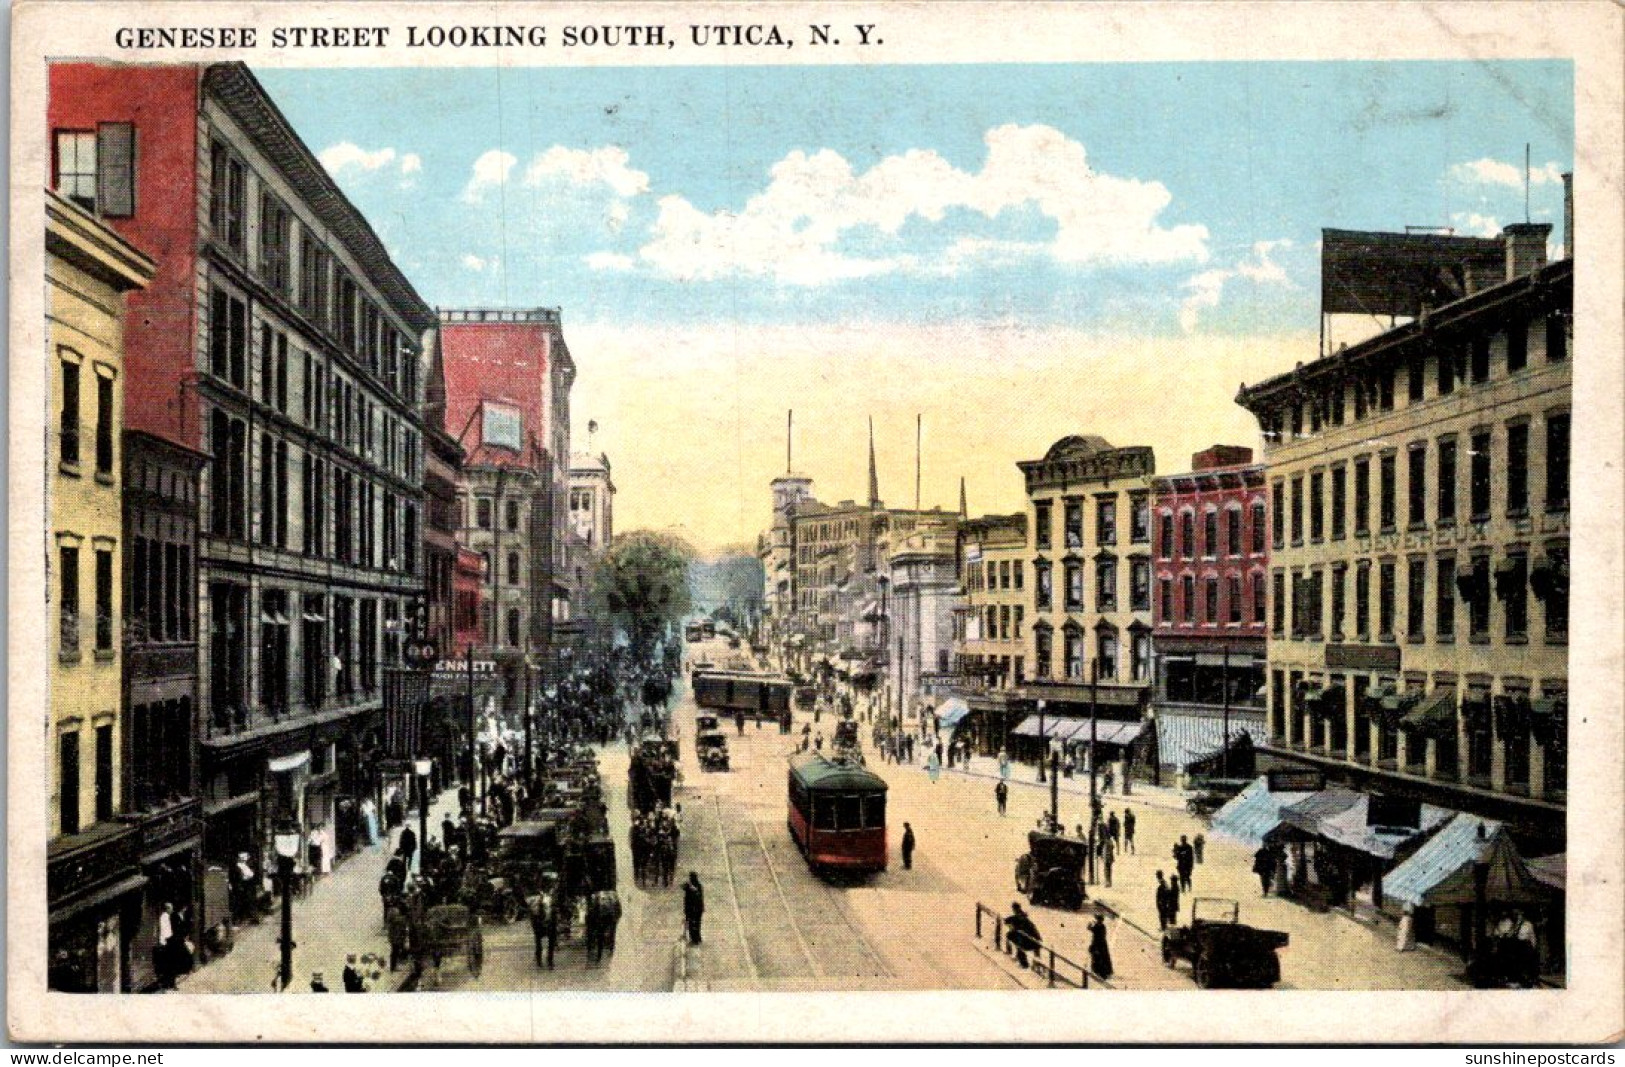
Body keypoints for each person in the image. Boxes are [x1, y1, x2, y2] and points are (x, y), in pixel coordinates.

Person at [1004, 902, 1042, 969]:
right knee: (1017, 940)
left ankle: (1024, 964)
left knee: (1019, 945)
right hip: (1035, 939)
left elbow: (1006, 920)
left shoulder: (1017, 917)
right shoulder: (1022, 916)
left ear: (1014, 909)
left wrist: (1011, 926)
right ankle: (1034, 964)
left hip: (1030, 939)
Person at [1088, 913, 1114, 980]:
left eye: (1098, 920)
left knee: (1100, 958)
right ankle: (1098, 971)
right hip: (1098, 944)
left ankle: (1102, 972)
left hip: (1100, 944)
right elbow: (1091, 929)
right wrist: (1090, 926)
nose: (1097, 921)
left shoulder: (1101, 927)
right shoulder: (1099, 926)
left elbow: (1098, 935)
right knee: (1098, 958)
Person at [682, 872, 705, 945]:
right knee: (697, 923)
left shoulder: (690, 887)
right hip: (698, 908)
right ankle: (697, 937)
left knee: (692, 924)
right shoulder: (698, 886)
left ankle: (694, 938)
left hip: (692, 909)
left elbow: (684, 888)